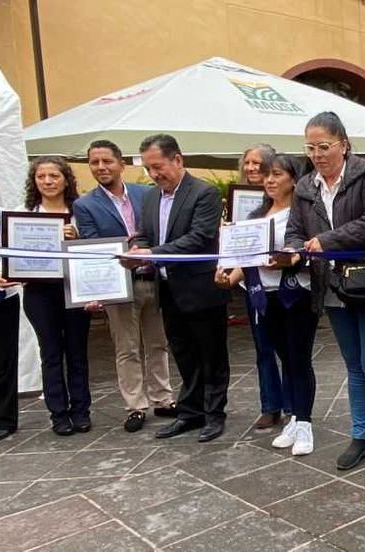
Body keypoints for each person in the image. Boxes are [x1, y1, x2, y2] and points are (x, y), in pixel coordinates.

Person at [284, 112, 365, 471]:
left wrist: (328, 240)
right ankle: (360, 435)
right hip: (333, 286)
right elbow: (295, 230)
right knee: (354, 365)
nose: (317, 155)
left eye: (324, 146)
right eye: (310, 148)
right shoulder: (305, 187)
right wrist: (293, 250)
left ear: (344, 145)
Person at [126, 134, 231, 443]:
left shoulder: (204, 193)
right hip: (168, 289)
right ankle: (191, 412)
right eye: (148, 168)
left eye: (158, 166)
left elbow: (199, 238)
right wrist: (136, 250)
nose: (154, 174)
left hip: (202, 288)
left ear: (178, 160)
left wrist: (151, 253)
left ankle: (214, 414)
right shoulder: (150, 197)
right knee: (183, 353)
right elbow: (144, 234)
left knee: (211, 355)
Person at [216, 154, 316, 455]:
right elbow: (246, 258)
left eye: (277, 174)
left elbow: (311, 252)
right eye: (267, 175)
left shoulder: (303, 214)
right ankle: (295, 419)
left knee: (299, 359)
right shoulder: (256, 216)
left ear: (294, 180)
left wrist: (288, 259)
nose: (269, 180)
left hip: (296, 294)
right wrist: (228, 277)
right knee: (285, 357)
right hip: (264, 296)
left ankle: (305, 423)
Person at [73, 139, 175, 433]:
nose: (101, 167)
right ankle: (136, 406)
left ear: (121, 163)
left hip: (153, 278)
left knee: (158, 343)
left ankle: (163, 398)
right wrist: (127, 246)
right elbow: (93, 244)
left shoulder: (148, 193)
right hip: (119, 284)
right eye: (94, 162)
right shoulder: (85, 205)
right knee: (127, 348)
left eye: (107, 161)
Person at [15, 157, 91, 436]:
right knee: (49, 352)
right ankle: (58, 414)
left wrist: (77, 239)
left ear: (66, 180)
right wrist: (4, 273)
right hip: (38, 292)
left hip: (74, 288)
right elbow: (9, 252)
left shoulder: (80, 211)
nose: (47, 181)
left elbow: (95, 249)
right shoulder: (23, 214)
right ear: (34, 181)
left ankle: (81, 411)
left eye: (54, 176)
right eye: (41, 176)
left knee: (77, 352)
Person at [235, 144, 290, 430]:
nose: (251, 168)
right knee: (263, 348)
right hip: (254, 286)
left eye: (258, 163)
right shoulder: (249, 207)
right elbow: (240, 248)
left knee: (290, 350)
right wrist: (229, 273)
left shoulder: (294, 206)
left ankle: (293, 405)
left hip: (285, 287)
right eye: (247, 162)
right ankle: (270, 405)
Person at [0, 197, 20, 443]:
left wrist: (4, 273)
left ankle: (4, 418)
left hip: (0, 296)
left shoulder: (1, 214)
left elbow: (14, 251)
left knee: (4, 360)